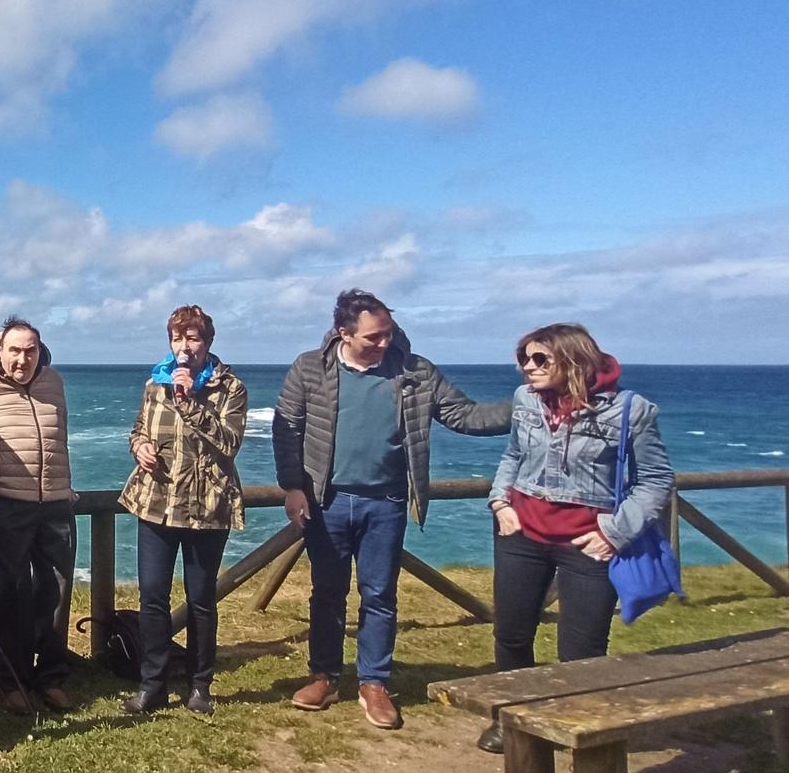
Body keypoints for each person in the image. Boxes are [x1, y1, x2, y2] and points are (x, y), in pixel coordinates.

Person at [272, 289, 512, 730]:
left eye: (388, 333)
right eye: (374, 337)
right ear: (343, 333)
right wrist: (292, 486)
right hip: (326, 501)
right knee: (327, 594)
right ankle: (324, 676)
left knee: (380, 595)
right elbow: (286, 430)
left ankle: (374, 683)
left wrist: (528, 407)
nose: (385, 342)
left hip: (386, 502)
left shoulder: (415, 371)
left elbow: (464, 415)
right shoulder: (310, 368)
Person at [479, 324, 673, 752]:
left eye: (539, 360)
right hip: (521, 534)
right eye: (524, 359)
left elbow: (656, 480)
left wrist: (614, 532)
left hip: (589, 545)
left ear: (573, 360)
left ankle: (577, 729)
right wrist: (500, 503)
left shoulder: (628, 410)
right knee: (511, 635)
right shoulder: (525, 400)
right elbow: (513, 454)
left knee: (581, 649)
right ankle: (512, 720)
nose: (528, 368)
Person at [119, 305, 248, 716]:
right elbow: (140, 428)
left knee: (201, 600)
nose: (184, 347)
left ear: (207, 342)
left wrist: (191, 401)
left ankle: (199, 685)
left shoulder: (231, 388)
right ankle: (152, 684)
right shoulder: (155, 383)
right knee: (153, 597)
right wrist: (139, 447)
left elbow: (228, 444)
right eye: (177, 338)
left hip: (207, 506)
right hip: (157, 503)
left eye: (192, 339)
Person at [0, 317, 75, 716]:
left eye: (30, 351)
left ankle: (52, 677)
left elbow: (59, 436)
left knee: (57, 592)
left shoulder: (53, 381)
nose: (22, 359)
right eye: (15, 351)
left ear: (39, 351)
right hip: (6, 503)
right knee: (11, 594)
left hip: (57, 502)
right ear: (0, 351)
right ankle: (12, 680)